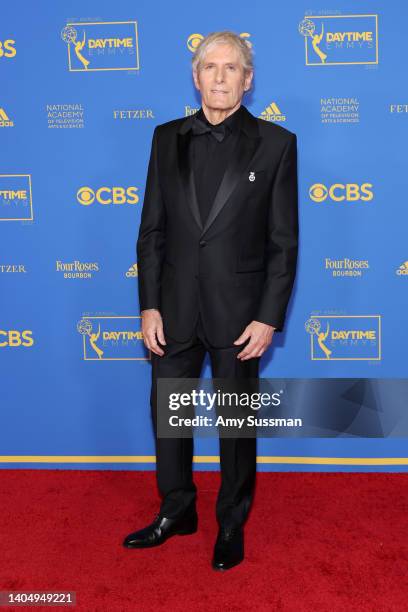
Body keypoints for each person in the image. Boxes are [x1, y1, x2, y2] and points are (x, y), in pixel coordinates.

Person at [123, 30, 298, 571]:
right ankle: (176, 510)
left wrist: (269, 317)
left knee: (235, 425)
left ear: (248, 80)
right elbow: (150, 230)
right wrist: (148, 305)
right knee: (169, 419)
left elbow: (283, 242)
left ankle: (230, 522)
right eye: (210, 67)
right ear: (195, 76)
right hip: (172, 309)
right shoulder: (164, 138)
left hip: (240, 315)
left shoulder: (276, 144)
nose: (219, 77)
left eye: (232, 68)